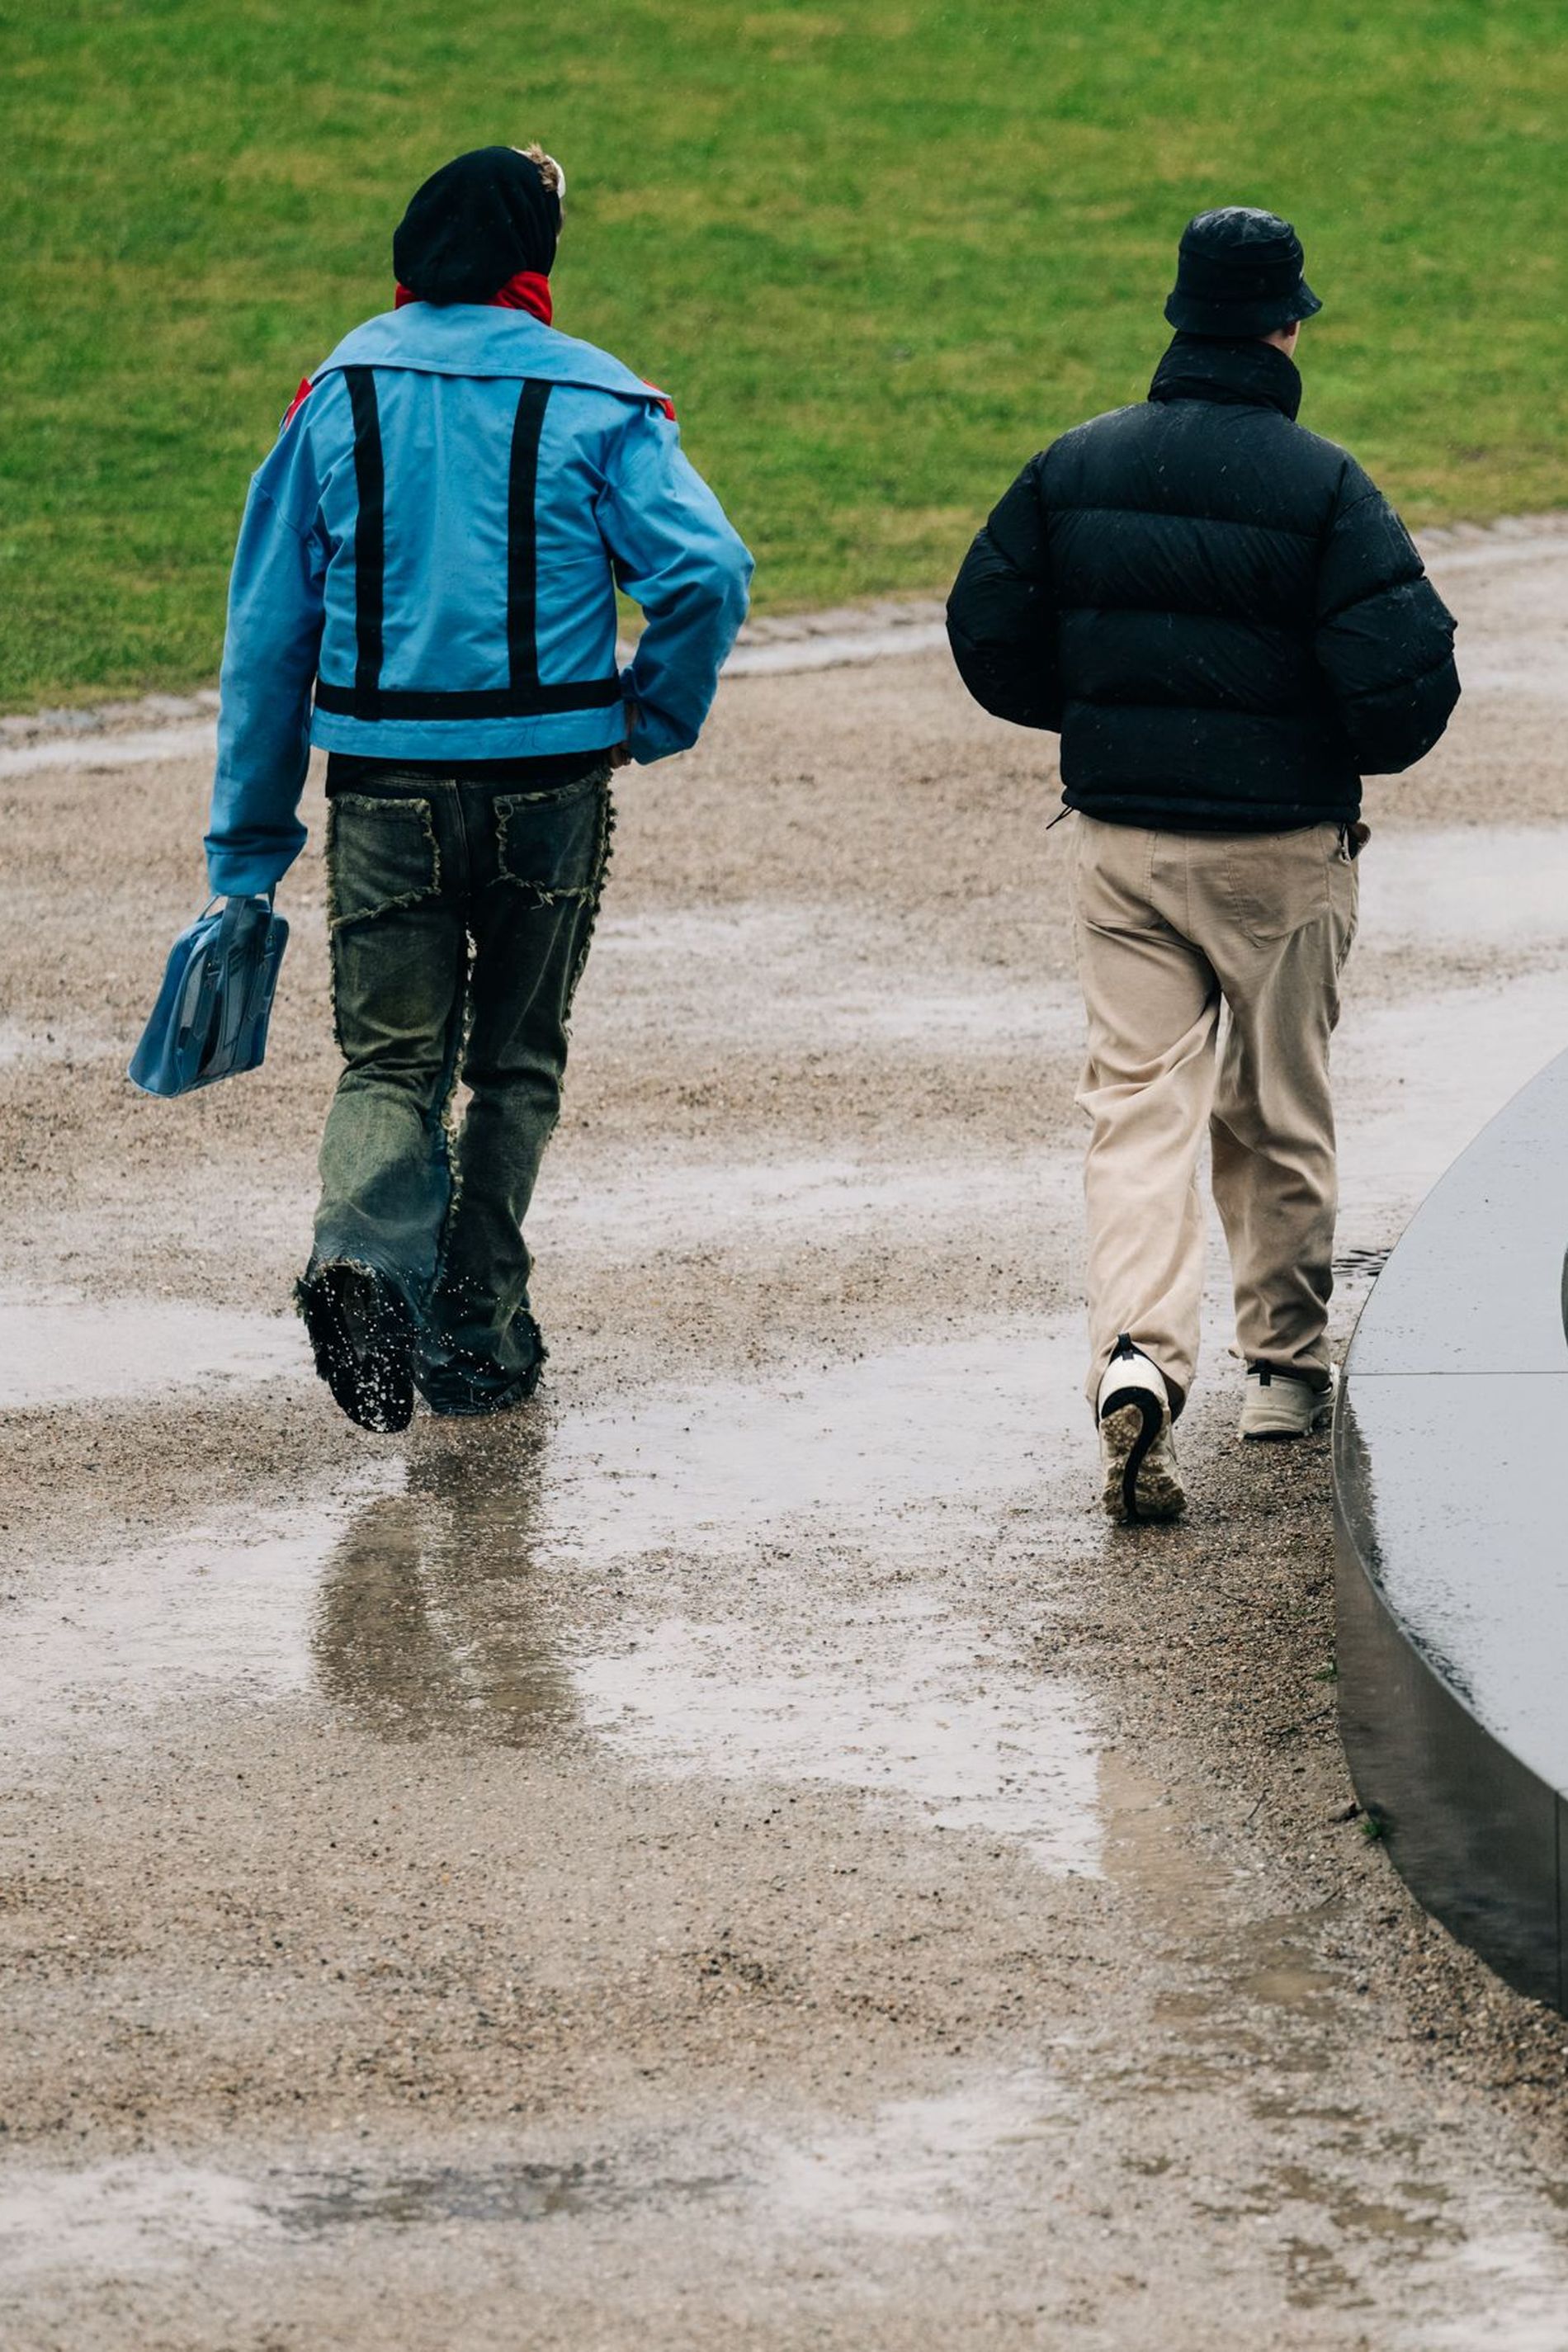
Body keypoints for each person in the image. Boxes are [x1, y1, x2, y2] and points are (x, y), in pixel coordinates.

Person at [205, 144, 752, 1433]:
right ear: (532, 267)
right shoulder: (599, 397)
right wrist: (651, 713)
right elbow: (707, 572)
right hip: (550, 785)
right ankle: (477, 1331)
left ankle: (357, 1251)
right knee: (513, 1067)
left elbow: (268, 638)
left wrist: (248, 850)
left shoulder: (335, 394)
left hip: (380, 785)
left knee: (389, 1063)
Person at [946, 207, 1459, 1525]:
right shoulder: (1327, 485)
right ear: (1284, 328)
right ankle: (1283, 1370)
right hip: (1284, 849)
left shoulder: (1077, 463)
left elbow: (985, 628)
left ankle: (1137, 1358)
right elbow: (1406, 693)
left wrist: (1103, 713)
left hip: (1123, 844)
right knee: (1276, 1104)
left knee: (1135, 1108)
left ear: (1181, 321)